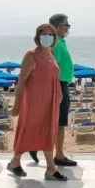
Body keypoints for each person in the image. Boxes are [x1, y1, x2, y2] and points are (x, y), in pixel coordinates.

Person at [8, 24, 67, 181]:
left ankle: (50, 168)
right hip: (34, 101)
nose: (47, 37)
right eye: (44, 34)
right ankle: (15, 161)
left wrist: (60, 93)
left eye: (50, 34)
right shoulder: (31, 55)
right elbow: (21, 82)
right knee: (28, 130)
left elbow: (55, 77)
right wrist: (17, 105)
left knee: (49, 132)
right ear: (38, 37)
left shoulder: (51, 54)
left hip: (51, 101)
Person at [29, 14, 76, 167]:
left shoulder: (60, 42)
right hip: (58, 84)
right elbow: (51, 68)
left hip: (62, 84)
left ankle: (35, 146)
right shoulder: (56, 45)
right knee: (59, 123)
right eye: (67, 25)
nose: (68, 29)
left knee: (55, 121)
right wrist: (58, 88)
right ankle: (59, 156)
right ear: (59, 27)